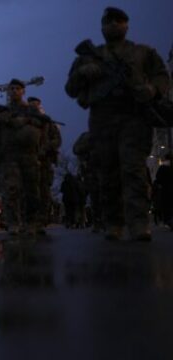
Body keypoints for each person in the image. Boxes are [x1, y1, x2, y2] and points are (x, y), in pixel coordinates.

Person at [65, 7, 170, 242]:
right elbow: (71, 89)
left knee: (133, 171)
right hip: (103, 120)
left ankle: (139, 222)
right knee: (108, 172)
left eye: (119, 21)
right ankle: (114, 223)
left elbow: (162, 76)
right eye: (109, 22)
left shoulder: (142, 53)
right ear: (102, 27)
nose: (113, 25)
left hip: (134, 118)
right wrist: (84, 73)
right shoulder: (89, 57)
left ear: (127, 25)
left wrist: (152, 89)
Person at [0, 79, 44, 235]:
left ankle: (31, 222)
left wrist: (25, 120)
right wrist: (0, 119)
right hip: (9, 156)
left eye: (17, 88)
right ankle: (14, 223)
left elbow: (42, 127)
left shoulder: (31, 111)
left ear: (23, 91)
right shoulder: (1, 111)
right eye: (11, 89)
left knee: (30, 190)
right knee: (11, 189)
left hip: (28, 155)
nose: (14, 91)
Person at [28, 96, 62, 227]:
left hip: (44, 161)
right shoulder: (24, 121)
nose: (33, 107)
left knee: (43, 190)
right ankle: (33, 219)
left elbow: (57, 140)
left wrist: (47, 147)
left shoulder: (47, 123)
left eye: (35, 105)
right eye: (31, 104)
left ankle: (42, 218)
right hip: (29, 160)